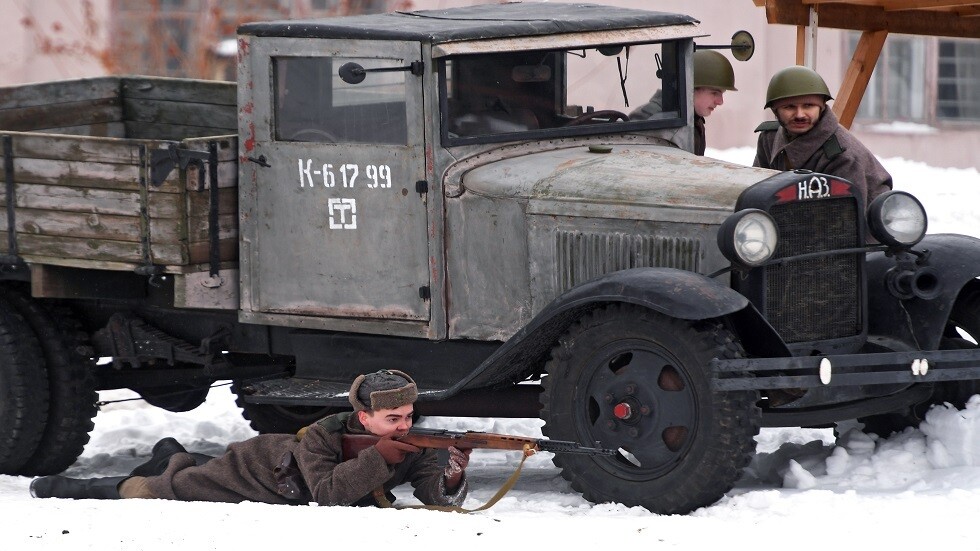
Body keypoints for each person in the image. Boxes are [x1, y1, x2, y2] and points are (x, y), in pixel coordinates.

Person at [30, 369, 470, 508]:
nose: (404, 426)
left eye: (408, 416)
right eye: (392, 418)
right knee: (161, 488)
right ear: (363, 417)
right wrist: (380, 457)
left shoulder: (408, 444)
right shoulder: (325, 434)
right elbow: (327, 494)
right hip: (255, 471)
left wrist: (451, 475)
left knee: (182, 469)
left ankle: (172, 452)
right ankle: (69, 488)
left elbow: (433, 494)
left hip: (284, 477)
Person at [753, 65, 892, 208]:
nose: (800, 115)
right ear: (775, 111)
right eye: (789, 107)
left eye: (808, 105)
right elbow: (756, 192)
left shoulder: (842, 155)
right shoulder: (769, 138)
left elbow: (847, 215)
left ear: (821, 107)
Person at [630, 49, 737, 155]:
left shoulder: (692, 120)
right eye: (714, 93)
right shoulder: (651, 121)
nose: (720, 102)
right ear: (690, 89)